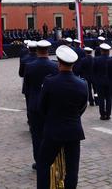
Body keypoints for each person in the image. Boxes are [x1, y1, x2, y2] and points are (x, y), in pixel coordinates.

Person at [36, 45, 88, 189]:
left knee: (43, 164)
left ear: (58, 62)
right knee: (72, 169)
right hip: (73, 130)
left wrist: (51, 117)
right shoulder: (82, 84)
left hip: (53, 129)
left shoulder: (49, 82)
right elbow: (82, 107)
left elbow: (41, 107)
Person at [24, 40, 58, 169]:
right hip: (50, 105)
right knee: (50, 133)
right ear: (48, 50)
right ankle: (51, 159)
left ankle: (39, 161)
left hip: (34, 104)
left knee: (36, 135)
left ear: (37, 51)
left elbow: (26, 87)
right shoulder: (55, 66)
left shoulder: (30, 66)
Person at [92, 43, 111, 120]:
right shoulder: (111, 59)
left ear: (101, 51)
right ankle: (108, 114)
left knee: (101, 99)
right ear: (108, 51)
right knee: (109, 99)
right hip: (109, 82)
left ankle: (102, 115)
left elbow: (94, 71)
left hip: (99, 82)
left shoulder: (96, 59)